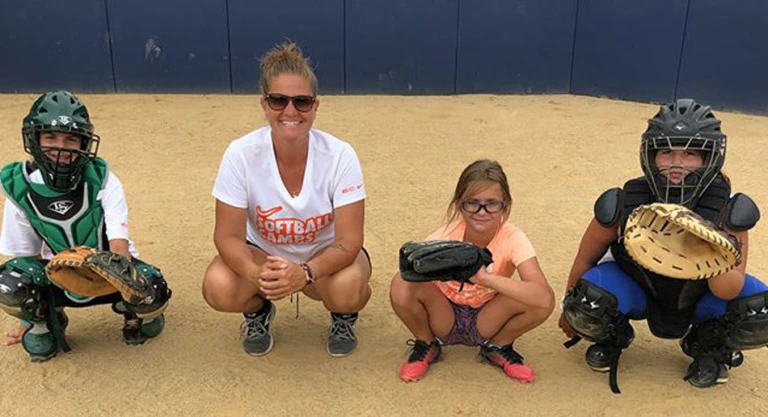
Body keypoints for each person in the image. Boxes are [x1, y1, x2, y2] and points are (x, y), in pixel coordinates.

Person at [559, 98, 768, 390]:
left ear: (709, 159)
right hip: (641, 289)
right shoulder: (625, 203)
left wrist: (707, 243)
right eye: (667, 152)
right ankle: (614, 336)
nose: (677, 163)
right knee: (586, 300)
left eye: (691, 153)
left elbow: (727, 289)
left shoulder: (726, 213)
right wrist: (570, 309)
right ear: (651, 155)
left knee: (759, 311)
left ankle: (707, 346)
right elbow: (585, 259)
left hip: (700, 297)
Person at [202, 41, 371, 357]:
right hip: (262, 255)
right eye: (279, 100)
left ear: (316, 106)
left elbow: (349, 241)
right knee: (218, 286)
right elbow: (227, 236)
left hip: (323, 255)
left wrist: (305, 273)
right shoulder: (241, 154)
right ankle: (258, 311)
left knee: (349, 288)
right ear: (264, 104)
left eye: (302, 102)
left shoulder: (340, 155)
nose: (290, 111)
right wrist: (260, 277)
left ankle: (343, 315)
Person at [0, 90, 171, 361]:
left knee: (153, 290)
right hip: (55, 274)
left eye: (71, 138)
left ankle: (132, 313)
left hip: (108, 269)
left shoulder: (102, 179)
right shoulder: (21, 187)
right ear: (34, 139)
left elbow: (118, 243)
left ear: (84, 142)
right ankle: (45, 321)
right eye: (50, 137)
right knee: (10, 282)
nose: (61, 147)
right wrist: (27, 315)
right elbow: (26, 256)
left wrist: (121, 280)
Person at [390, 159, 554, 382]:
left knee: (537, 301)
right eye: (472, 203)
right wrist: (434, 267)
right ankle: (426, 343)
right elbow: (408, 275)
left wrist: (485, 278)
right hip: (443, 315)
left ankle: (498, 346)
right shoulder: (445, 236)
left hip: (487, 317)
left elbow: (544, 297)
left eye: (492, 203)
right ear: (459, 204)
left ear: (505, 205)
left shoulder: (513, 237)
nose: (482, 211)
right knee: (401, 283)